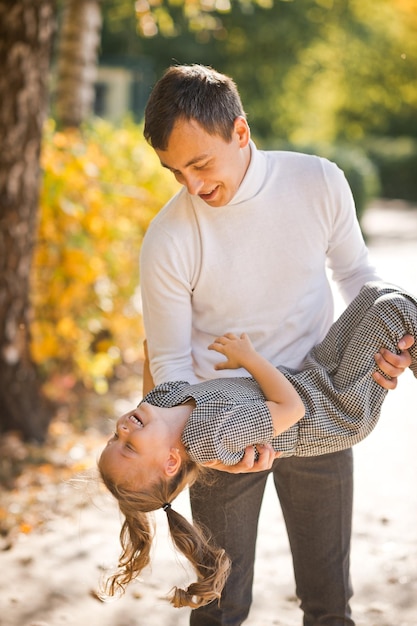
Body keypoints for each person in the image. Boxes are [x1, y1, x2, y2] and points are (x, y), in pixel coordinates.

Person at [138, 64, 414, 626]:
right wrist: (205, 451)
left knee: (329, 603)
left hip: (320, 404)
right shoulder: (168, 237)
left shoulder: (318, 182)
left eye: (199, 164)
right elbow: (168, 368)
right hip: (221, 426)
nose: (192, 187)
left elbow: (358, 279)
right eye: (174, 172)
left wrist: (386, 351)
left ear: (240, 133)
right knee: (221, 606)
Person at [98, 280, 417, 609]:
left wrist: (155, 344)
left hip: (315, 377)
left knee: (375, 294)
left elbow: (154, 369)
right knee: (395, 311)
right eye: (130, 447)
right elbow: (292, 409)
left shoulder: (163, 403)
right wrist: (249, 358)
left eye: (114, 438)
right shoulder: (206, 434)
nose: (122, 428)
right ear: (170, 463)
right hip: (333, 411)